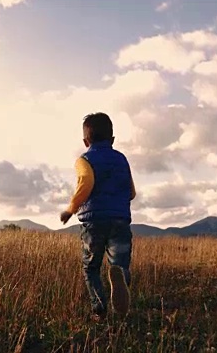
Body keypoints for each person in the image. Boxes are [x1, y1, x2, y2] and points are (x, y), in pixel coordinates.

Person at [60, 112, 136, 321]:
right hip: (120, 219)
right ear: (112, 139)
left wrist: (71, 209)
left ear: (86, 141)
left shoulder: (84, 160)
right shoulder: (121, 159)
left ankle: (99, 309)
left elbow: (86, 182)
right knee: (120, 264)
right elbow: (131, 193)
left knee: (91, 267)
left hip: (93, 222)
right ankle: (119, 280)